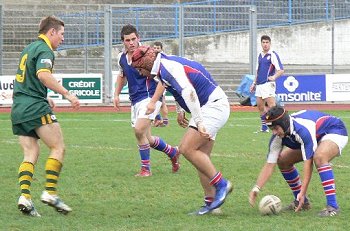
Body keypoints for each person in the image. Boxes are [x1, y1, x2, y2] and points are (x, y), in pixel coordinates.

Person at [131, 45, 233, 215]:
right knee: (201, 157)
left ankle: (221, 183)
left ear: (146, 64)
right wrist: (179, 110)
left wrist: (199, 122)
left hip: (212, 106)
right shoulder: (163, 66)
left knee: (186, 149)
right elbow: (178, 87)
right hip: (210, 105)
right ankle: (210, 204)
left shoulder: (167, 68)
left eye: (139, 69)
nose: (140, 74)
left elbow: (189, 91)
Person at [11, 16, 80, 217]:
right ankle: (50, 193)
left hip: (19, 108)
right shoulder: (44, 49)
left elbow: (29, 79)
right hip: (34, 107)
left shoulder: (28, 49)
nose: (63, 38)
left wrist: (45, 96)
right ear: (51, 32)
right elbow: (42, 74)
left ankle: (24, 196)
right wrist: (67, 94)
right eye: (61, 34)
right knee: (58, 147)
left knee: (30, 153)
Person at [249, 106, 348, 217]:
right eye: (272, 129)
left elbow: (308, 164)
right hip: (315, 136)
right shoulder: (277, 137)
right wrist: (256, 188)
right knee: (282, 160)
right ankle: (303, 202)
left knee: (319, 157)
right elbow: (269, 164)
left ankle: (333, 206)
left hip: (333, 130)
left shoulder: (302, 130)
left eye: (276, 128)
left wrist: (303, 191)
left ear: (284, 123)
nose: (274, 133)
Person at [113, 24, 180, 177]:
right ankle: (173, 152)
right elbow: (122, 75)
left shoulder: (148, 55)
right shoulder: (121, 58)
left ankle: (145, 170)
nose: (131, 43)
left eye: (133, 39)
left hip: (150, 97)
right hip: (135, 100)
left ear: (139, 38)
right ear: (122, 41)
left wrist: (156, 102)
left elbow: (162, 78)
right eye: (127, 40)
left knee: (138, 130)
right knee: (147, 139)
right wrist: (116, 94)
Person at [250, 35, 284, 132]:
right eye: (263, 42)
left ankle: (279, 126)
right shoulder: (260, 55)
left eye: (267, 42)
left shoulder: (272, 54)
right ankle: (264, 127)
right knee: (260, 106)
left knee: (272, 106)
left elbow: (281, 70)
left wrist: (274, 77)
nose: (265, 44)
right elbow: (258, 71)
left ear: (270, 43)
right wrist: (254, 83)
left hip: (268, 84)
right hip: (260, 84)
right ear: (261, 43)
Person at [152, 41, 169, 127]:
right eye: (154, 48)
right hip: (156, 82)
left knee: (160, 101)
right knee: (162, 102)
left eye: (158, 48)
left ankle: (157, 118)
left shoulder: (161, 57)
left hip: (161, 83)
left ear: (161, 49)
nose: (156, 49)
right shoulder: (153, 57)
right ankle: (163, 120)